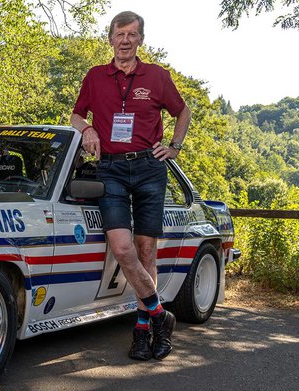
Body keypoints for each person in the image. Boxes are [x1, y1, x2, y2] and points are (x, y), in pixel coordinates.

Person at [71, 11, 191, 361]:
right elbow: (76, 114)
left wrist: (174, 147)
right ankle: (160, 315)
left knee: (146, 250)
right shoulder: (95, 76)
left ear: (140, 39)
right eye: (119, 34)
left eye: (132, 34)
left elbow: (182, 112)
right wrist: (87, 129)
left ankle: (142, 329)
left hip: (150, 168)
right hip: (110, 169)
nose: (125, 40)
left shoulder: (157, 76)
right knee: (124, 250)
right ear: (110, 38)